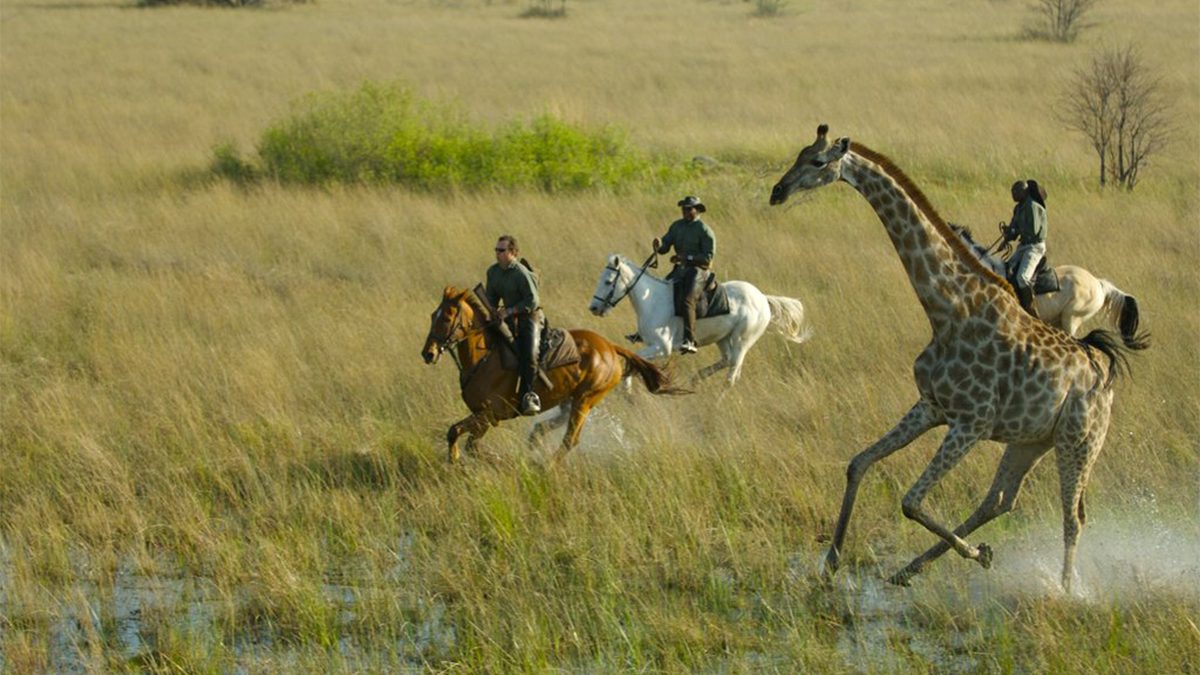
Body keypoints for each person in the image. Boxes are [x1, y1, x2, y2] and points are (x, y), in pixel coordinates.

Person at [486, 235, 543, 415]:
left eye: (501, 250)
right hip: (507, 317)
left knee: (529, 354)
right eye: (496, 250)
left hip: (530, 316)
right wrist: (492, 311)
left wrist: (509, 311)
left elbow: (533, 301)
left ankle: (529, 396)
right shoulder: (493, 272)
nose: (497, 253)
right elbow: (491, 298)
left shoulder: (521, 273)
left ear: (513, 253)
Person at [653, 195, 716, 354]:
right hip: (680, 269)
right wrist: (659, 244)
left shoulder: (704, 230)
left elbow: (707, 259)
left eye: (689, 209)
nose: (685, 212)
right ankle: (648, 331)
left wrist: (686, 258)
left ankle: (690, 340)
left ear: (697, 210)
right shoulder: (676, 226)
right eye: (684, 209)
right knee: (660, 292)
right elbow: (665, 246)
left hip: (698, 271)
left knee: (688, 300)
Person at [1002, 179, 1048, 318]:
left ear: (1024, 191)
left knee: (1022, 277)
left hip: (1034, 247)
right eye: (1012, 192)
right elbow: (1014, 230)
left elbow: (1032, 231)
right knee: (1005, 271)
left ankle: (1030, 307)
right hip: (1023, 246)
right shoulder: (1018, 208)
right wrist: (1008, 233)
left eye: (1016, 191)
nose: (1013, 194)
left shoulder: (1032, 206)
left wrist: (1015, 229)